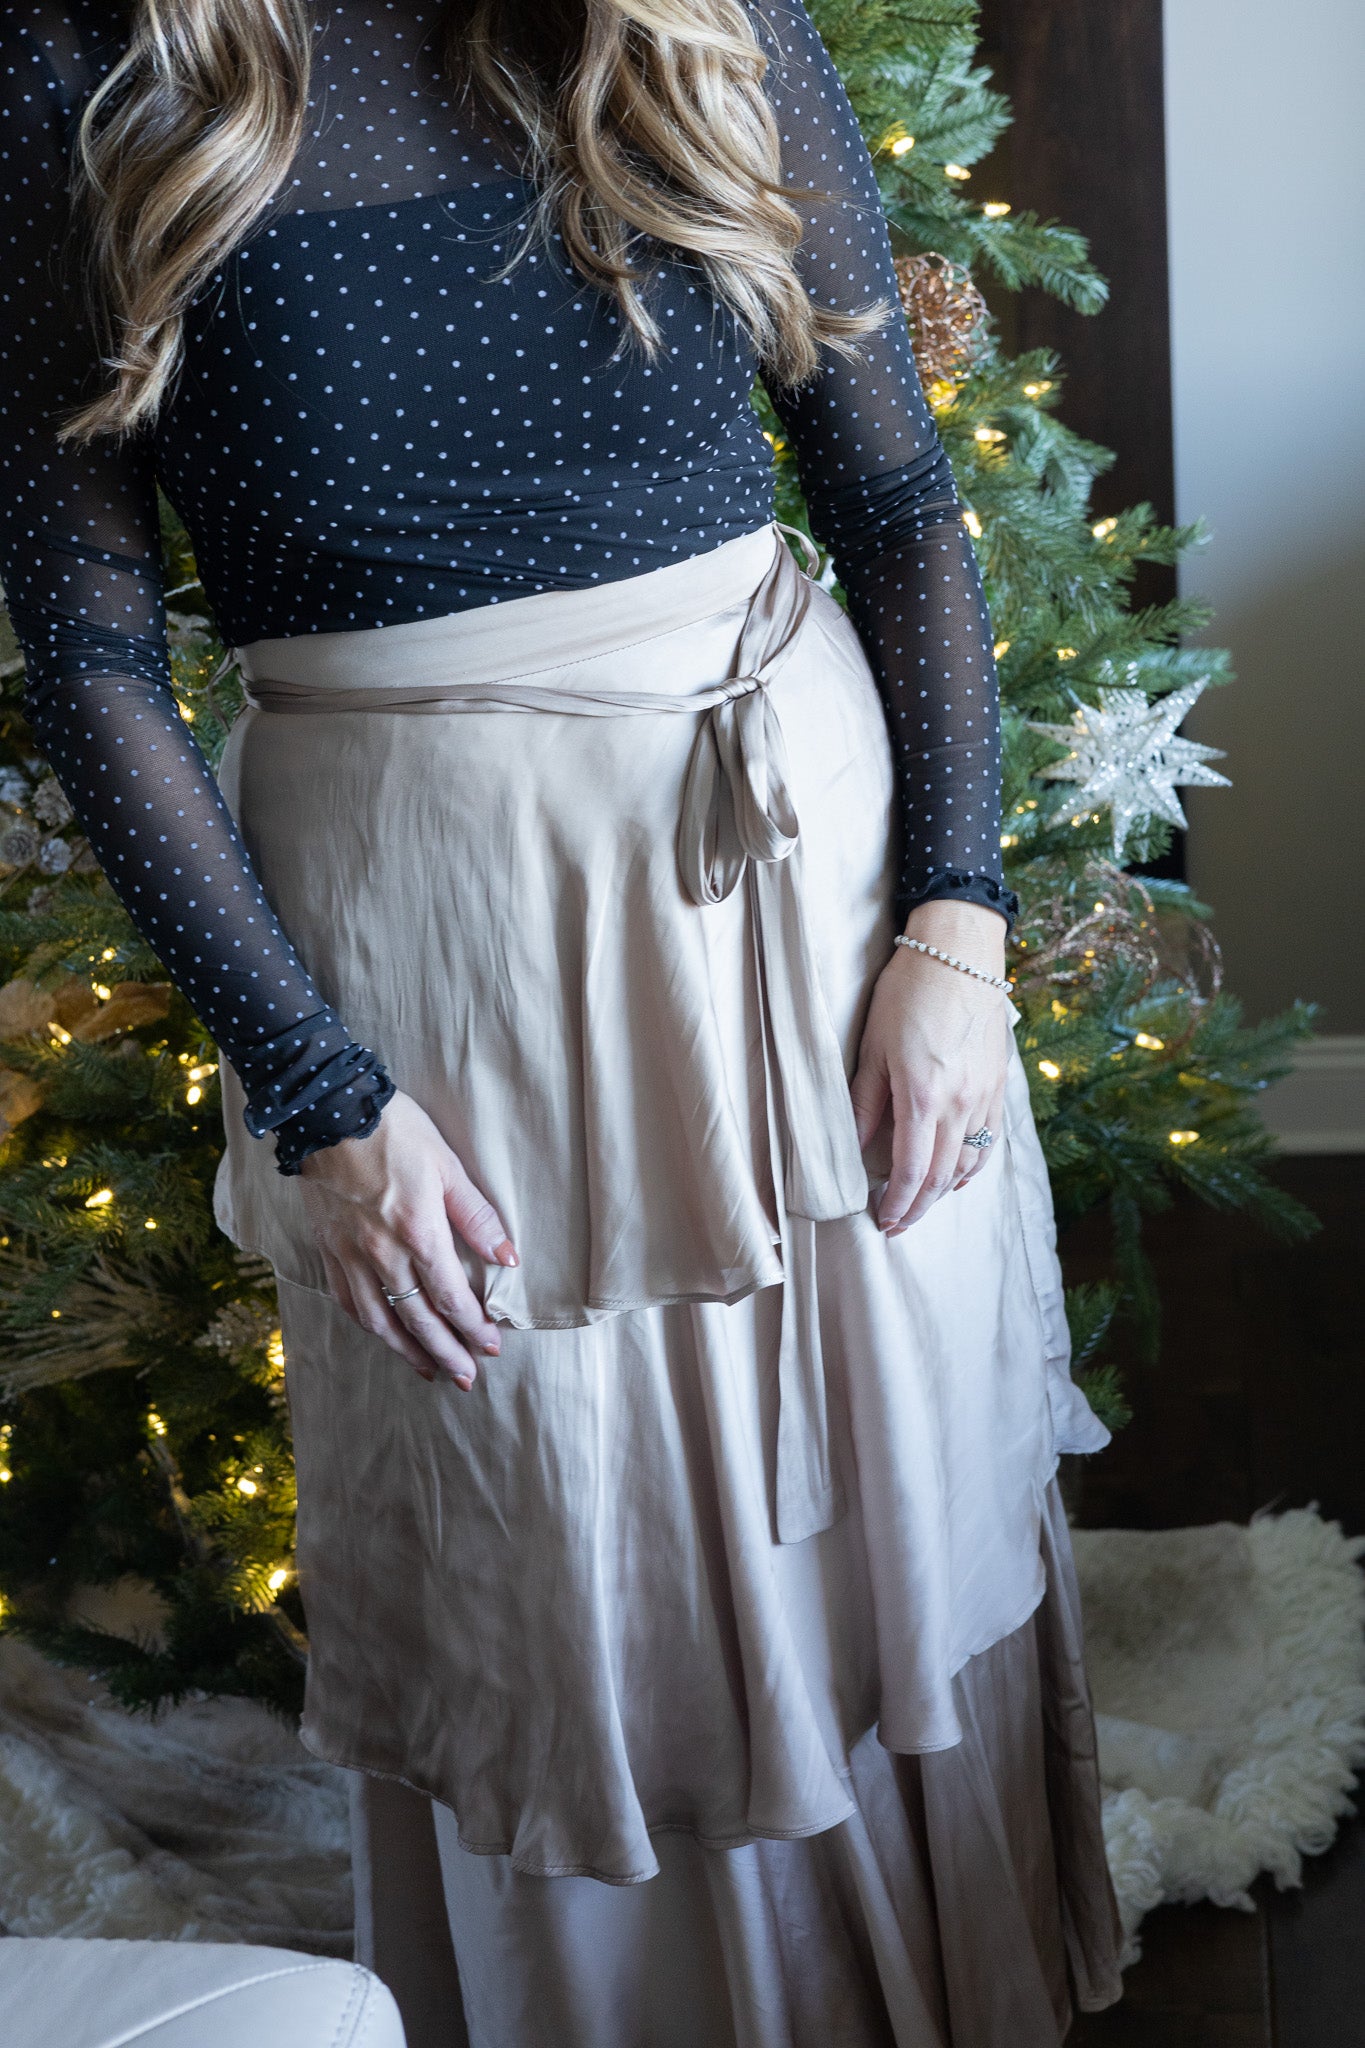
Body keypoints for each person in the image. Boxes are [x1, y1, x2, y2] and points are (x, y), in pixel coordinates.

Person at [0, 0, 1125, 2039]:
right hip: (424, 931)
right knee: (549, 1532)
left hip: (810, 872)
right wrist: (318, 1095)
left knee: (884, 1490)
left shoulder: (690, 20)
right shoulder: (80, 59)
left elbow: (893, 500)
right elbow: (87, 655)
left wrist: (954, 931)